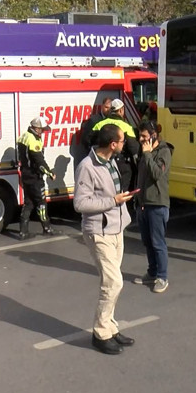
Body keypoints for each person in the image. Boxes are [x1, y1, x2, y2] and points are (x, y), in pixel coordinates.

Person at [74, 124, 136, 355]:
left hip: (116, 228)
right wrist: (113, 201)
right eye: (122, 141)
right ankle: (100, 333)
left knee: (111, 283)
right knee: (114, 282)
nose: (124, 144)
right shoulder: (87, 167)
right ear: (112, 144)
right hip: (99, 232)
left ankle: (110, 326)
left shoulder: (111, 161)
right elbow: (80, 203)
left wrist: (121, 201)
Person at [133, 121, 174, 293]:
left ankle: (162, 277)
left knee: (158, 243)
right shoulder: (144, 151)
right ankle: (152, 272)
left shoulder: (164, 151)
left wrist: (148, 154)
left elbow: (157, 173)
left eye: (144, 136)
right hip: (143, 204)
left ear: (153, 135)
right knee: (147, 241)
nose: (141, 139)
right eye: (140, 136)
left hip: (157, 204)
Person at [16, 117, 57, 239]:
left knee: (28, 203)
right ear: (37, 128)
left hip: (25, 174)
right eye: (42, 130)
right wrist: (50, 173)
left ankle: (23, 232)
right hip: (34, 176)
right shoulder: (33, 140)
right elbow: (39, 161)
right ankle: (47, 228)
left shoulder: (23, 136)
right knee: (41, 203)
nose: (43, 132)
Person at [94, 99, 139, 196]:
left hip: (101, 162)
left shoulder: (99, 124)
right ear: (121, 110)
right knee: (123, 194)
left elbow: (87, 141)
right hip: (122, 165)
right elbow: (134, 148)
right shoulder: (126, 127)